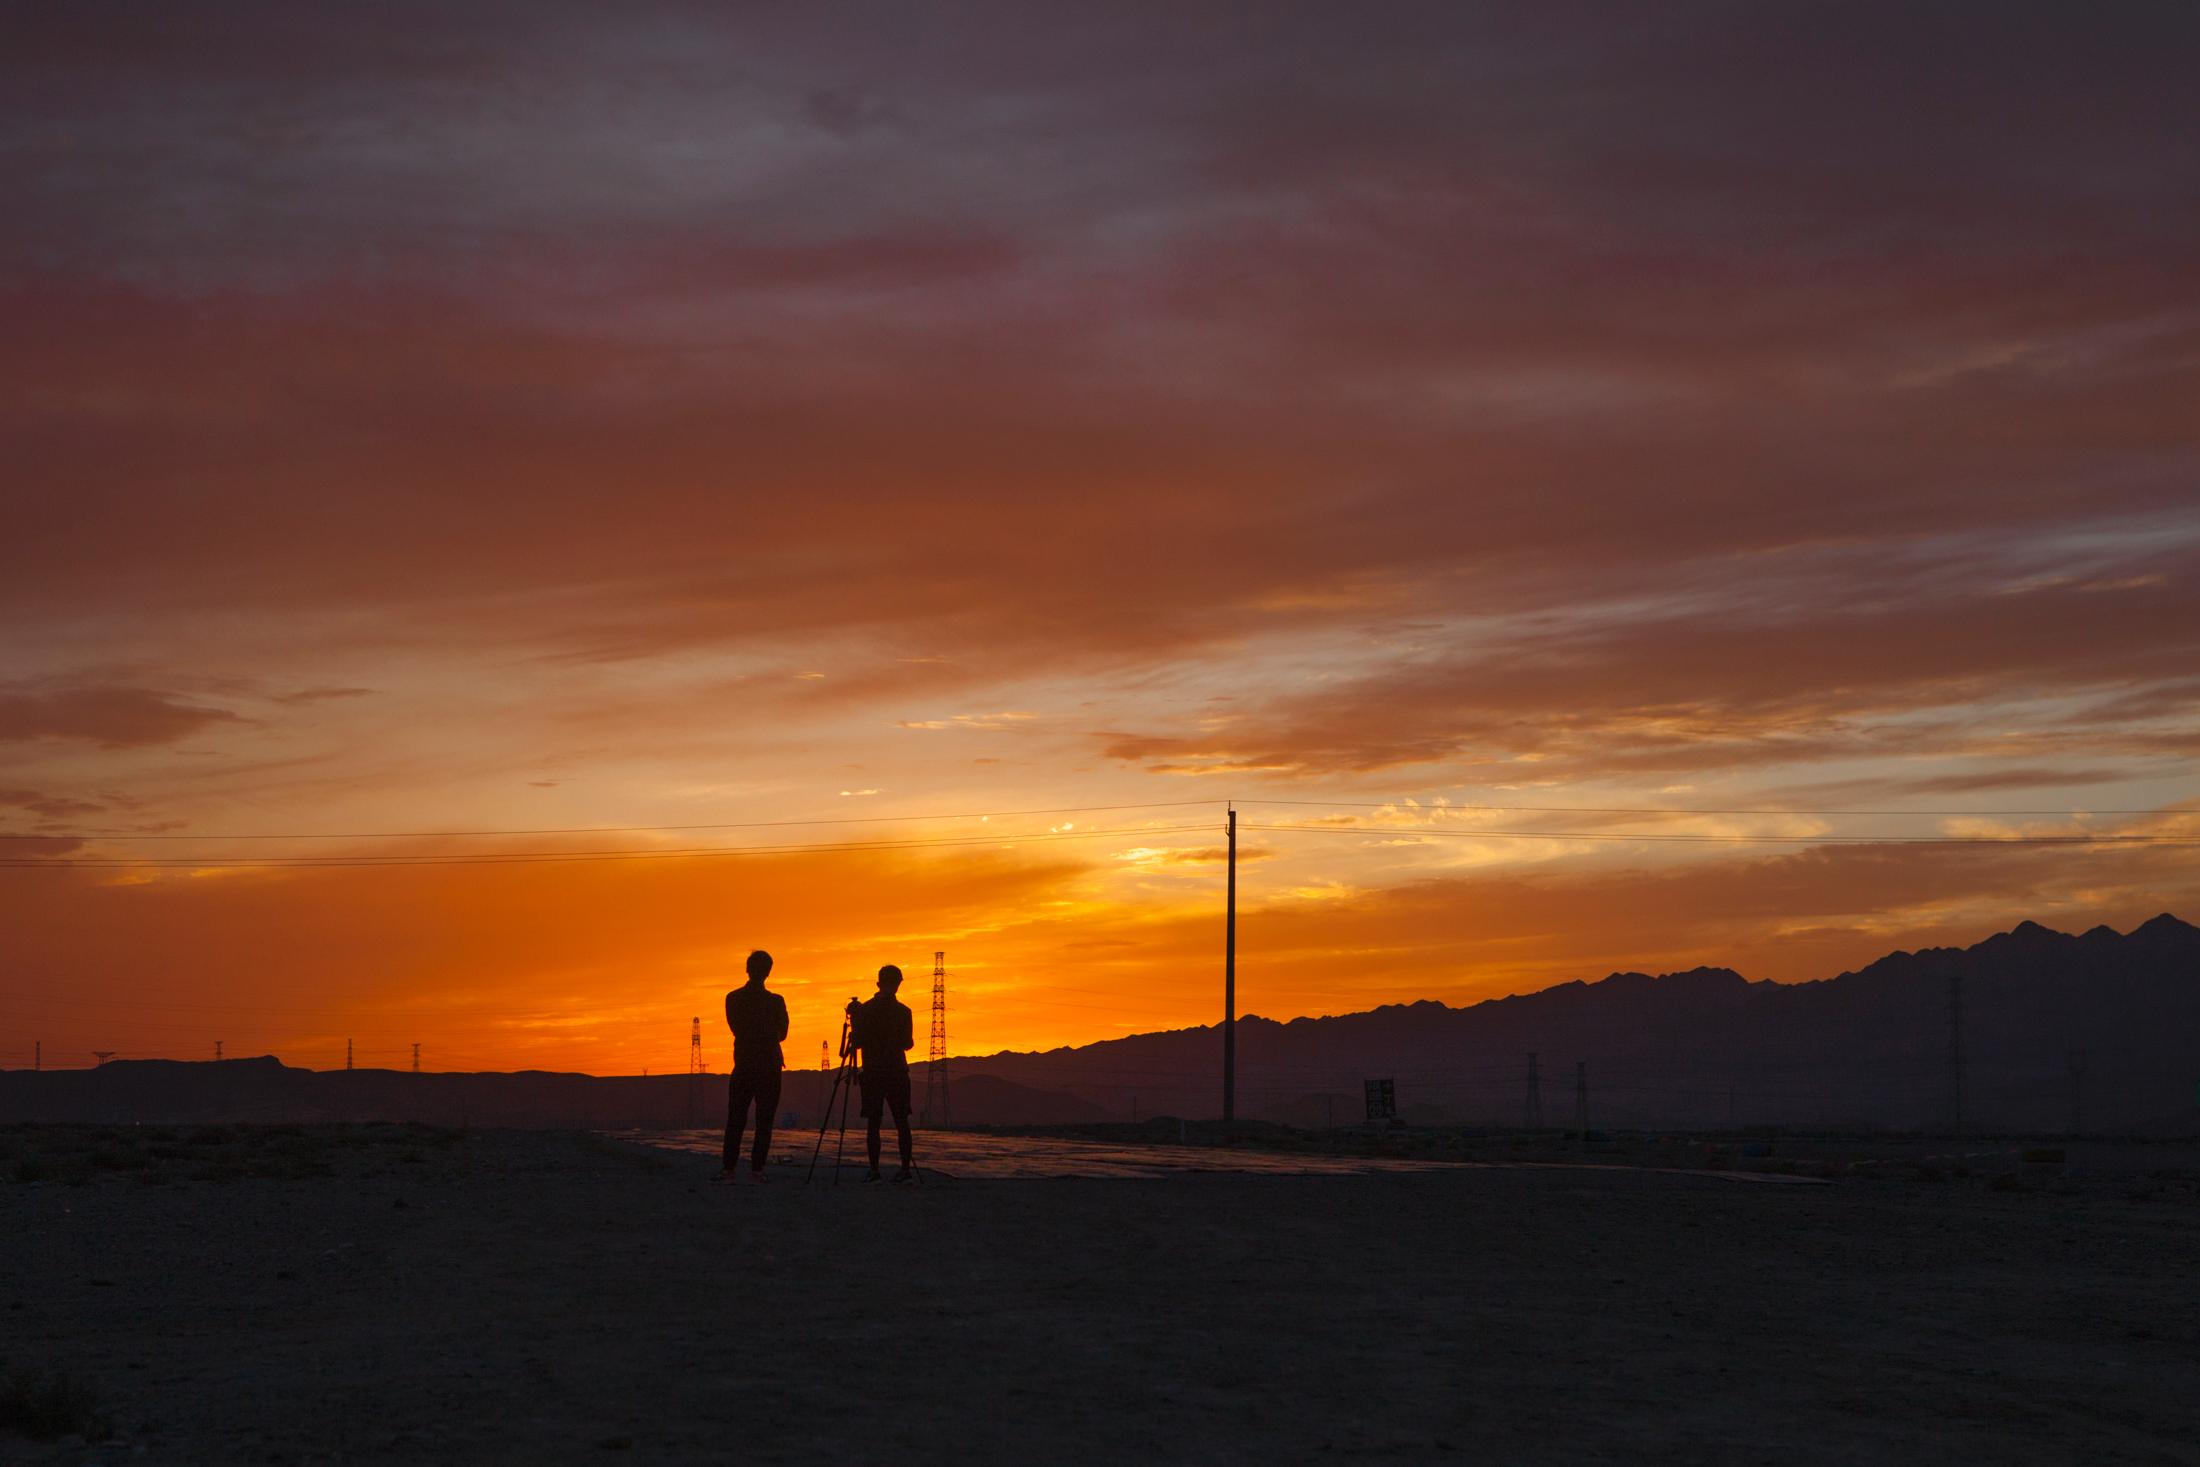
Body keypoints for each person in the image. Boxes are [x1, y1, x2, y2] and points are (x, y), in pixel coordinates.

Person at [722, 949, 788, 1183]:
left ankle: (729, 1170)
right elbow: (782, 1034)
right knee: (764, 1122)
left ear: (748, 969)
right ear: (768, 972)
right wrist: (766, 1031)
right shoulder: (775, 1001)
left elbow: (737, 1028)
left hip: (745, 1064)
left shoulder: (733, 998)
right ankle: (756, 1171)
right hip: (767, 1066)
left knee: (736, 1119)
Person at [852, 963, 916, 1182]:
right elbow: (908, 1043)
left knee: (873, 1123)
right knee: (902, 1122)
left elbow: (857, 1042)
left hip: (873, 1072)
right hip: (897, 1071)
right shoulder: (904, 1012)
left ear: (878, 983)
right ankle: (905, 1169)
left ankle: (875, 1170)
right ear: (898, 984)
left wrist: (856, 1019)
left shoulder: (866, 1010)